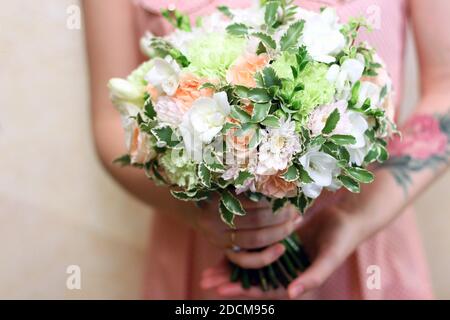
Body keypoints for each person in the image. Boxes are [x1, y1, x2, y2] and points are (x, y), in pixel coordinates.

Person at [83, 0, 450, 299]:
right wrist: (203, 212)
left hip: (367, 237)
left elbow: (445, 92)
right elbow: (111, 122)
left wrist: (355, 218)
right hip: (204, 248)